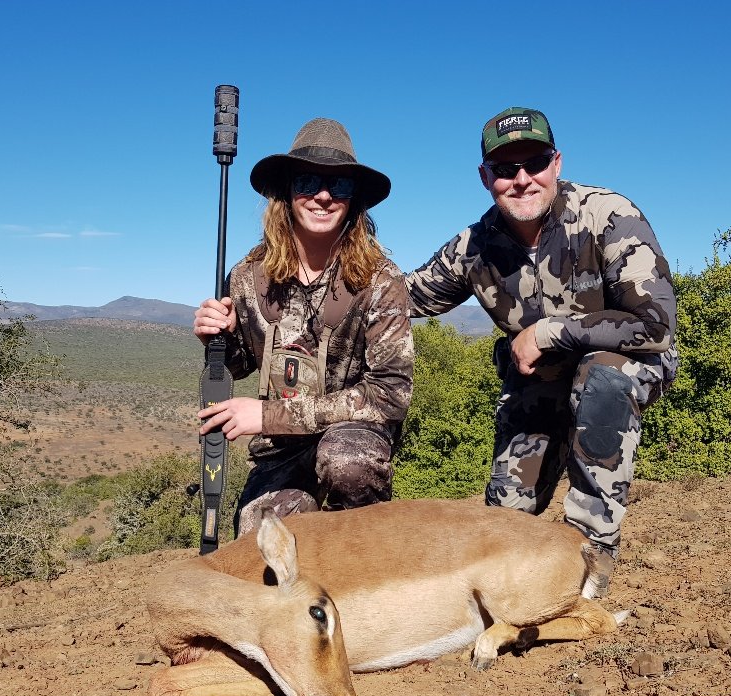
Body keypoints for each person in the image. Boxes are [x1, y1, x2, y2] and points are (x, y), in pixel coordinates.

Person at [406, 107, 678, 598]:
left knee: (602, 377)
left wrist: (550, 331)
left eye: (534, 162)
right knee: (503, 526)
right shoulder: (474, 246)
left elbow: (655, 324)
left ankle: (588, 564)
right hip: (538, 388)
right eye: (506, 169)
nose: (522, 179)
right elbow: (398, 297)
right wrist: (280, 291)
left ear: (557, 163)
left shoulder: (607, 216)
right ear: (485, 177)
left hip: (623, 368)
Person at [194, 118, 414, 537]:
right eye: (308, 181)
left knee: (348, 467)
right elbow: (239, 365)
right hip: (279, 447)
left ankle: (364, 561)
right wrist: (215, 338)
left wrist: (267, 414)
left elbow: (389, 397)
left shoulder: (381, 280)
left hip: (351, 437)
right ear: (286, 193)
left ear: (354, 201)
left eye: (340, 186)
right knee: (260, 537)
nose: (324, 196)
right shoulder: (247, 275)